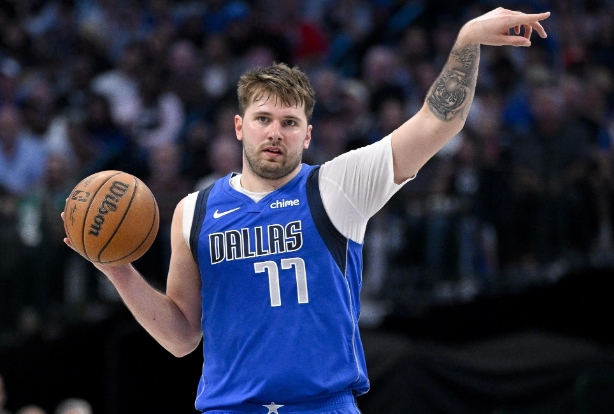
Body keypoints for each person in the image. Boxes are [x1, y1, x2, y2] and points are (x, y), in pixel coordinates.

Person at [62, 7, 550, 413]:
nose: (275, 132)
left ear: (308, 135)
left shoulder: (337, 187)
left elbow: (437, 122)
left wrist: (466, 41)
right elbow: (181, 336)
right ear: (239, 127)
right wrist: (118, 270)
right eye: (263, 119)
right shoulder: (195, 210)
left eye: (290, 122)